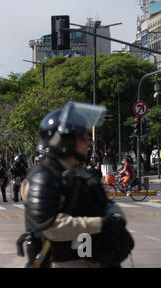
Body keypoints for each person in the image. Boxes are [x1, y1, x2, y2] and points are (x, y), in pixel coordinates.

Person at [19, 101, 134, 268]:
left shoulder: (82, 173)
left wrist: (115, 218)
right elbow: (51, 226)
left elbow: (106, 204)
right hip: (65, 262)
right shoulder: (44, 177)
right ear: (63, 141)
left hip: (94, 259)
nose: (88, 142)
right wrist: (101, 224)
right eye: (82, 136)